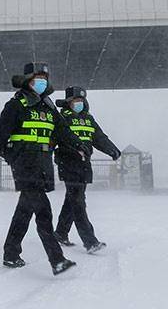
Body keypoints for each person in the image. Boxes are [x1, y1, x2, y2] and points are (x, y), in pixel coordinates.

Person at [0, 63, 90, 275]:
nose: (41, 82)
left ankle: (11, 253)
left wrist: (79, 145)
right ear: (27, 80)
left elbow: (64, 131)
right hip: (24, 164)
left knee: (25, 210)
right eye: (37, 78)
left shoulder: (49, 107)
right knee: (43, 211)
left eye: (44, 79)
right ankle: (57, 259)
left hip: (44, 165)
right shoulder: (16, 105)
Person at [52, 87, 121, 252]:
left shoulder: (89, 119)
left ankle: (60, 233)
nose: (79, 104)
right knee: (78, 201)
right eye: (76, 101)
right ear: (68, 103)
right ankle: (90, 240)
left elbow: (99, 138)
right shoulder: (61, 119)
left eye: (81, 101)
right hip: (68, 164)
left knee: (73, 199)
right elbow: (53, 139)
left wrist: (112, 149)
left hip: (84, 165)